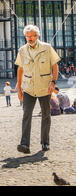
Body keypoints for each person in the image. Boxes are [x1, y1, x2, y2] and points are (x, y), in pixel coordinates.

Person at [15, 24, 60, 154]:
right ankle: (24, 144)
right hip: (28, 88)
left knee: (46, 115)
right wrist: (19, 89)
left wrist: (53, 82)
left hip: (45, 88)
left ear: (37, 36)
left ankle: (45, 143)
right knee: (26, 114)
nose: (30, 38)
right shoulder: (22, 50)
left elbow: (55, 65)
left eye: (32, 36)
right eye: (27, 36)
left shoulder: (47, 48)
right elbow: (20, 69)